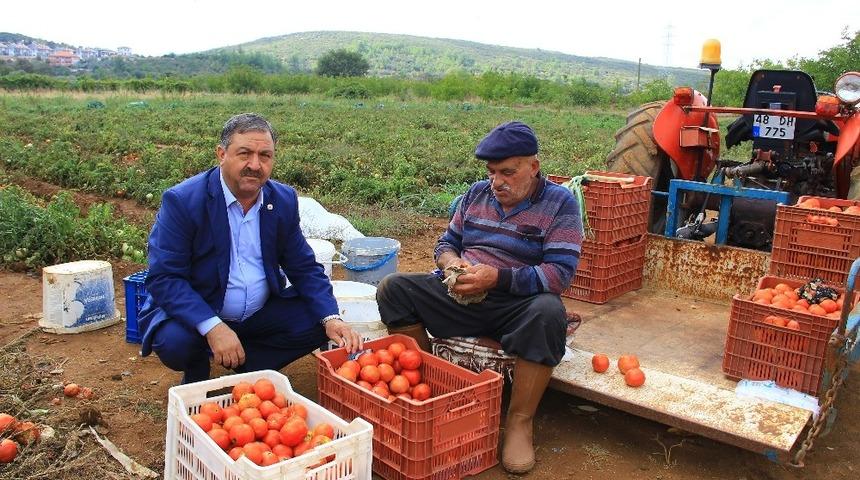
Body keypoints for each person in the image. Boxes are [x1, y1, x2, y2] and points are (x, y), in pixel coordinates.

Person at [376, 121, 583, 474]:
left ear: (533, 167)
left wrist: (497, 278)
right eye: (491, 172)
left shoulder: (559, 203)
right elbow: (446, 244)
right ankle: (431, 388)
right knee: (393, 289)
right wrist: (451, 264)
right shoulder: (476, 194)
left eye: (508, 172)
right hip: (461, 297)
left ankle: (519, 421)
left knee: (549, 313)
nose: (497, 182)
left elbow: (559, 274)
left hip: (514, 307)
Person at [137, 113, 362, 384]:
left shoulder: (282, 200)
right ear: (222, 154)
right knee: (175, 342)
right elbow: (165, 277)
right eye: (244, 153)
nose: (255, 165)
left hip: (258, 313)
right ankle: (197, 372)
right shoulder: (184, 201)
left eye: (265, 156)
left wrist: (331, 318)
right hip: (204, 309)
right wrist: (213, 326)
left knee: (318, 318)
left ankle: (248, 367)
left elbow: (303, 266)